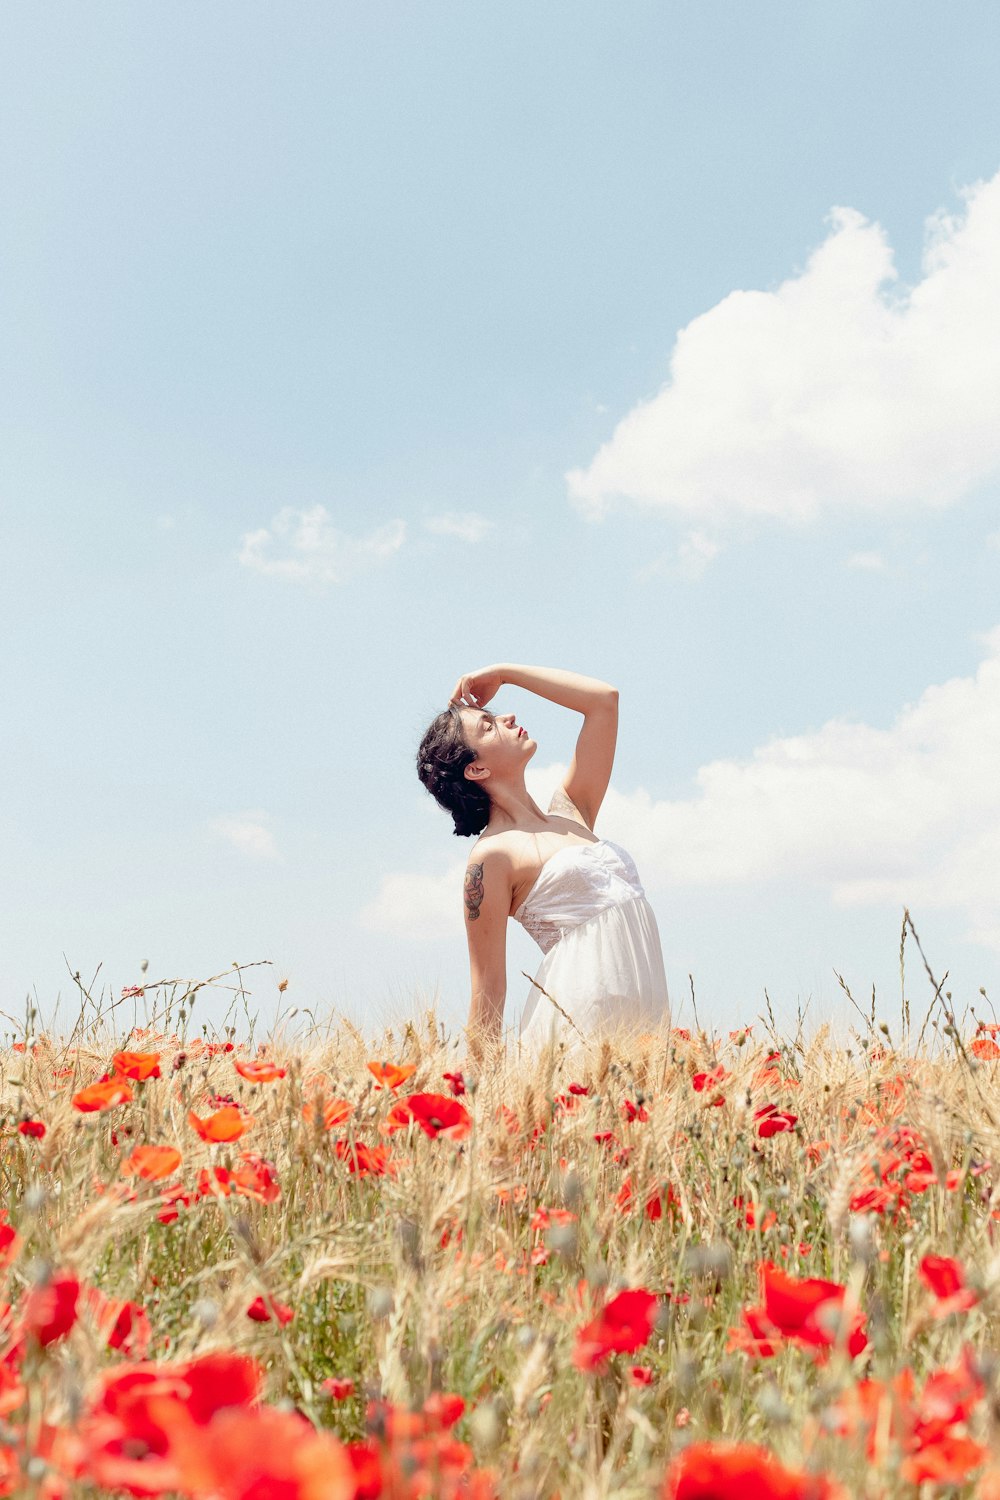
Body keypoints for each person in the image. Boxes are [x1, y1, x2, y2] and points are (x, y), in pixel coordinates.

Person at [416, 663, 669, 1061]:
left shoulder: (572, 811)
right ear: (476, 768)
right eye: (488, 726)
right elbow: (488, 990)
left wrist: (505, 673)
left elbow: (604, 702)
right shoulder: (492, 856)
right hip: (580, 1038)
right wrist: (480, 1101)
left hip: (646, 1030)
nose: (507, 717)